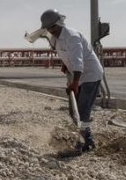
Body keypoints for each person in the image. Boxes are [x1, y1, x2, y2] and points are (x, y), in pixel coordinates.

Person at [39, 9, 104, 152]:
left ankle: (82, 143)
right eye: (49, 28)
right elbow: (66, 54)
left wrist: (74, 83)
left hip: (90, 74)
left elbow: (78, 61)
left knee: (83, 109)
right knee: (74, 111)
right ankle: (86, 140)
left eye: (53, 27)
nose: (51, 30)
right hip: (77, 75)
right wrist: (65, 64)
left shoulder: (72, 36)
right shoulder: (55, 38)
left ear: (60, 23)